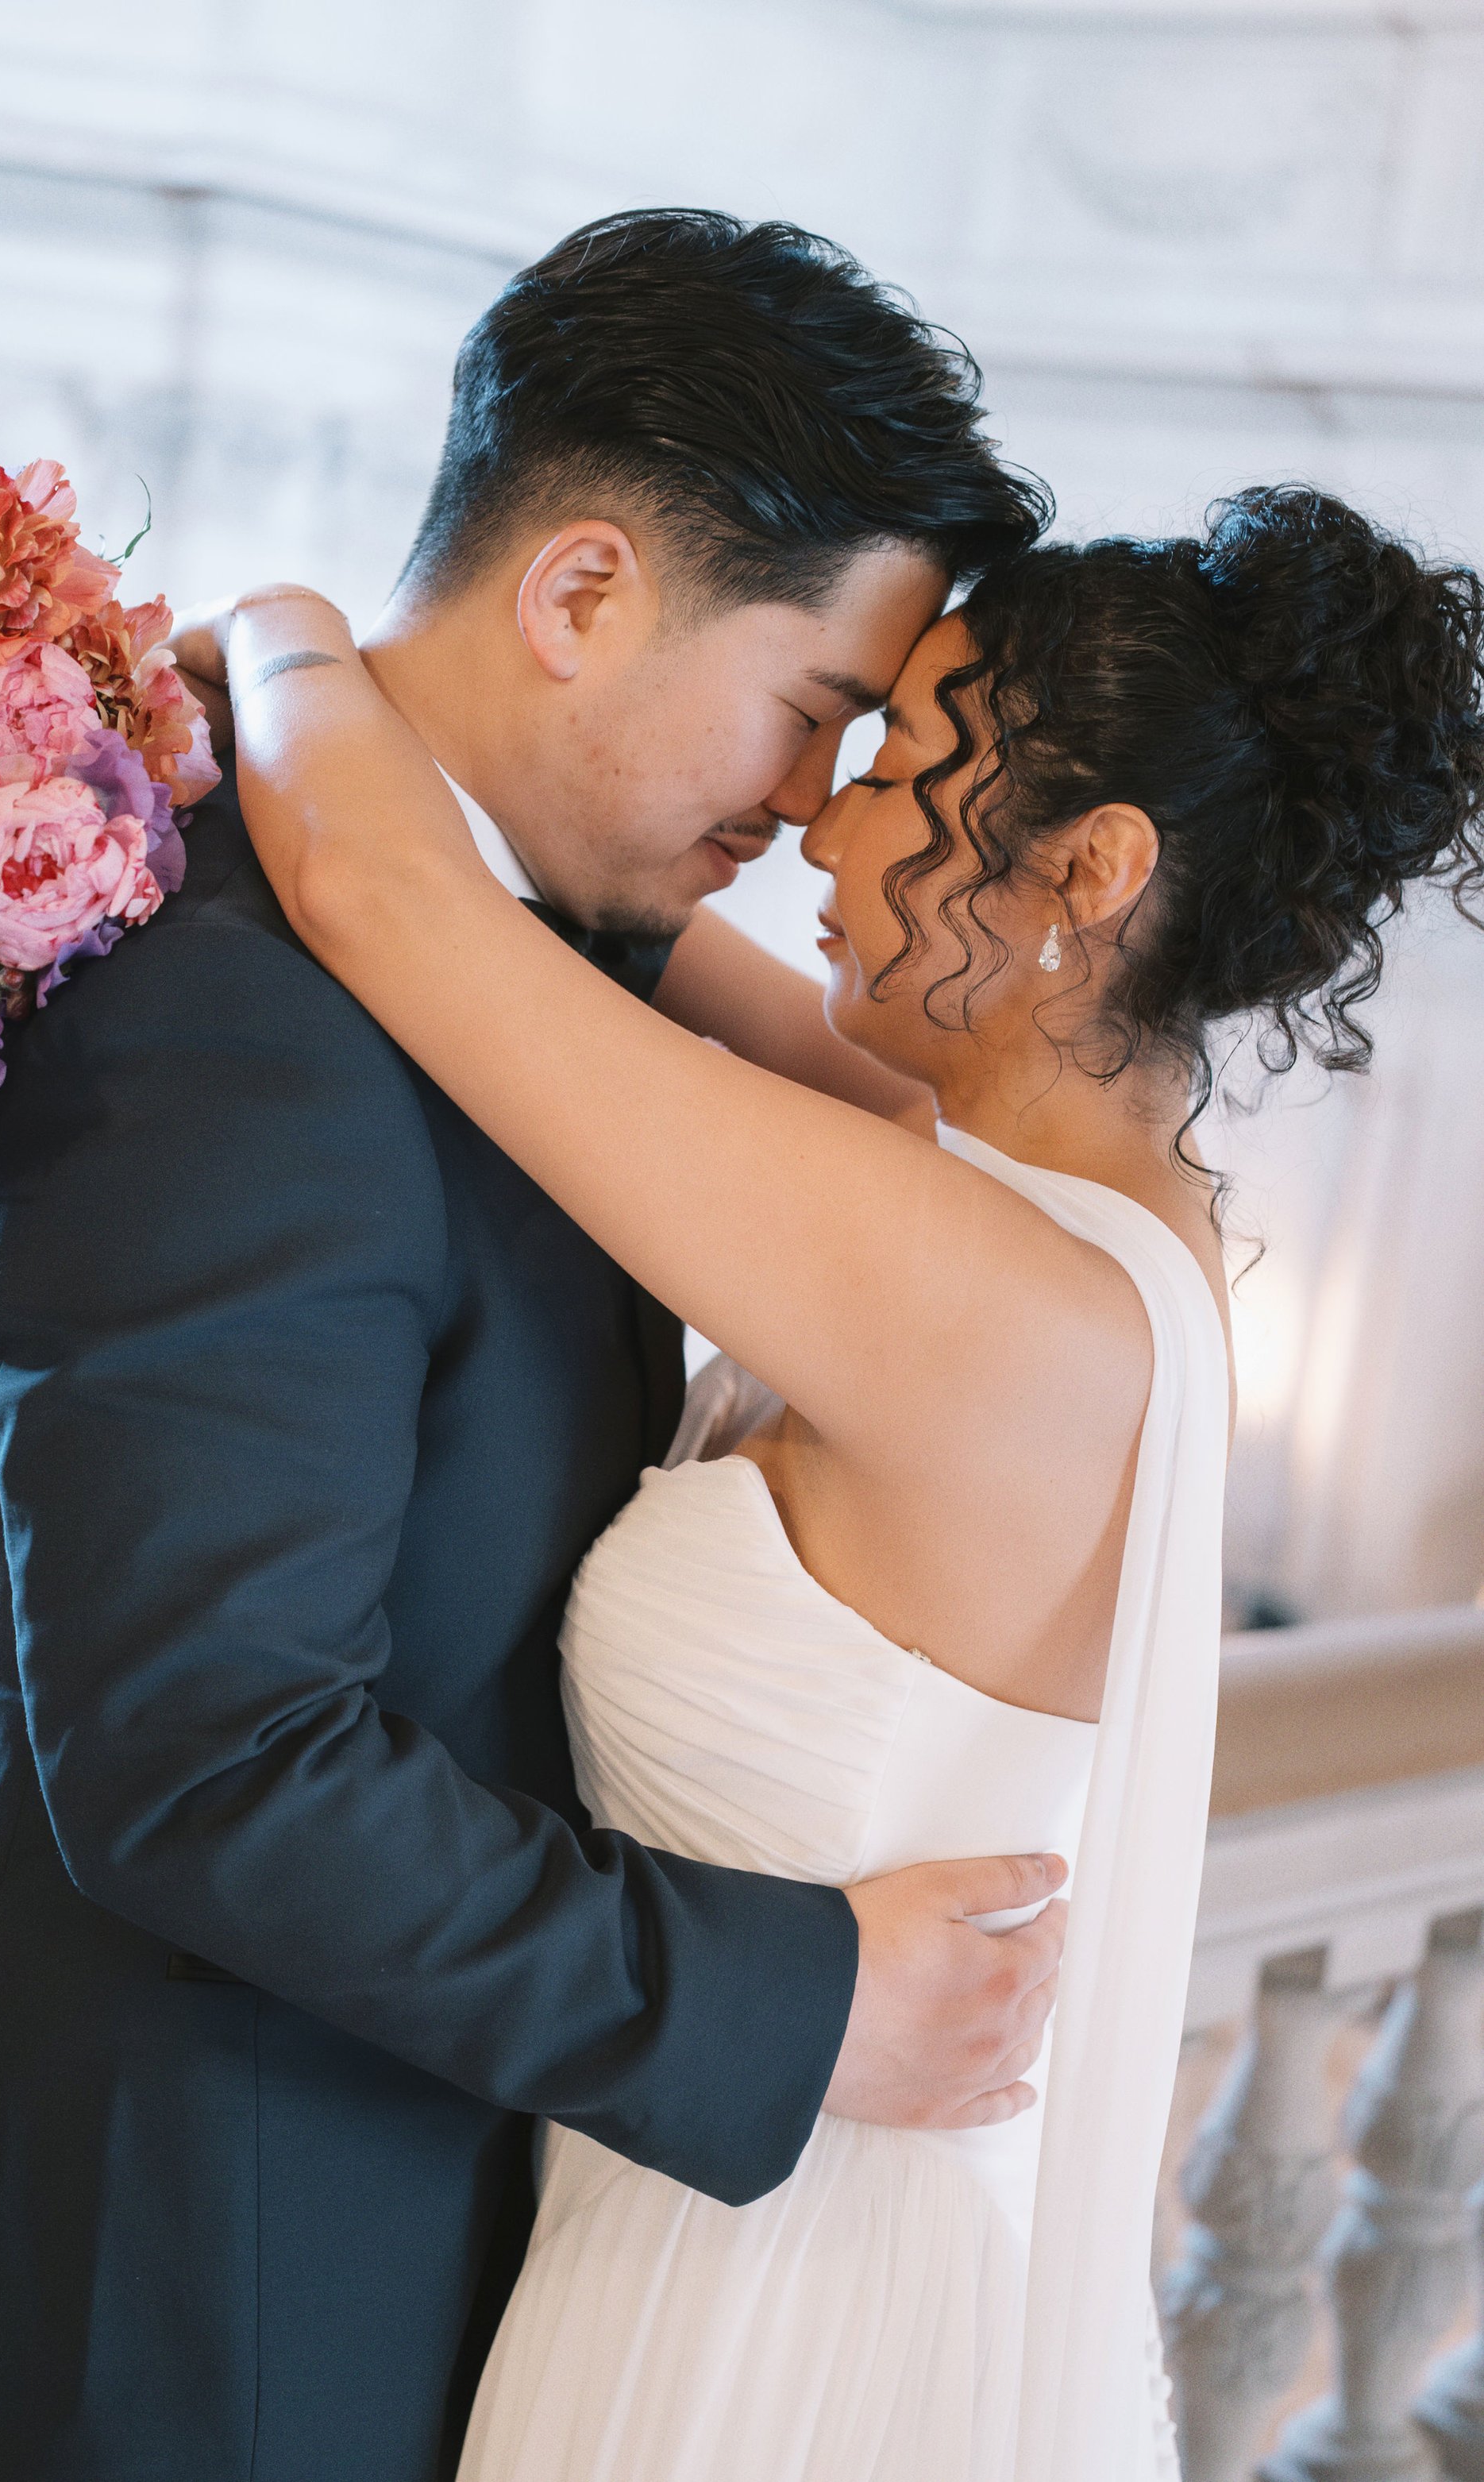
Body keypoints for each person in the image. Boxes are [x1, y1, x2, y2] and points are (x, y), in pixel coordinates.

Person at [0, 211, 1069, 2482]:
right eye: (811, 708)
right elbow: (206, 1751)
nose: (808, 808)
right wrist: (803, 2000)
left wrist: (287, 646)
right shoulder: (231, 994)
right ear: (581, 593)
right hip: (187, 2292)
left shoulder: (489, 942)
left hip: (376, 2229)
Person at [197, 481, 1484, 2478]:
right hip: (747, 2219)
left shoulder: (982, 1294)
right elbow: (607, 926)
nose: (821, 814)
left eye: (897, 763)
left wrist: (274, 613)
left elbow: (390, 900)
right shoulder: (1053, 1216)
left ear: (1091, 865)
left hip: (776, 2322)